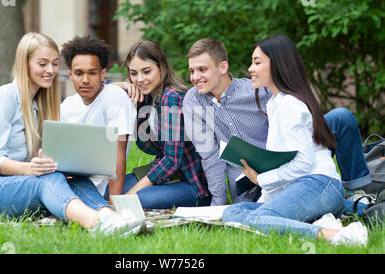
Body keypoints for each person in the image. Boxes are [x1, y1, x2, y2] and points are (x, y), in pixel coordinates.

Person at [0, 32, 144, 236]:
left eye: (55, 64)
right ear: (25, 64)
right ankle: (96, 222)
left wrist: (113, 86)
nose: (50, 70)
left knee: (76, 179)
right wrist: (34, 169)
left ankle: (111, 217)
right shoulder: (5, 97)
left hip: (15, 183)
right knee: (45, 179)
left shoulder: (44, 104)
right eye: (42, 64)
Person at [182, 37, 371, 207]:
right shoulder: (193, 101)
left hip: (288, 165)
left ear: (223, 67)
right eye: (191, 71)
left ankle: (357, 193)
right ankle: (351, 206)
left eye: (202, 69)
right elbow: (210, 156)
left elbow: (297, 118)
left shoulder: (258, 89)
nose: (195, 77)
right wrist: (218, 205)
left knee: (340, 118)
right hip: (250, 184)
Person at [221, 34, 368, 246]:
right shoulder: (275, 104)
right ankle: (348, 212)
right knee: (234, 212)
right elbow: (283, 165)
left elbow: (302, 164)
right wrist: (265, 201)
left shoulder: (290, 105)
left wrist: (259, 180)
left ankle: (335, 235)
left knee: (257, 219)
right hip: (301, 189)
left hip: (318, 184)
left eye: (257, 62)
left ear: (278, 64)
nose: (250, 68)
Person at [109, 40, 211, 209]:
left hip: (192, 184)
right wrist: (121, 85)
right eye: (133, 73)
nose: (139, 79)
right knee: (109, 191)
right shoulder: (148, 97)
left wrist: (130, 194)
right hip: (169, 176)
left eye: (146, 71)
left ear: (161, 67)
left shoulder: (172, 98)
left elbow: (171, 160)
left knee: (131, 201)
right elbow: (101, 90)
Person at [59, 35, 137, 200]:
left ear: (102, 74)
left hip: (107, 186)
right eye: (79, 73)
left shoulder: (115, 97)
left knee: (147, 200)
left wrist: (113, 201)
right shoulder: (66, 105)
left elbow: (118, 153)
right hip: (75, 185)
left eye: (92, 73)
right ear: (70, 75)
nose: (85, 80)